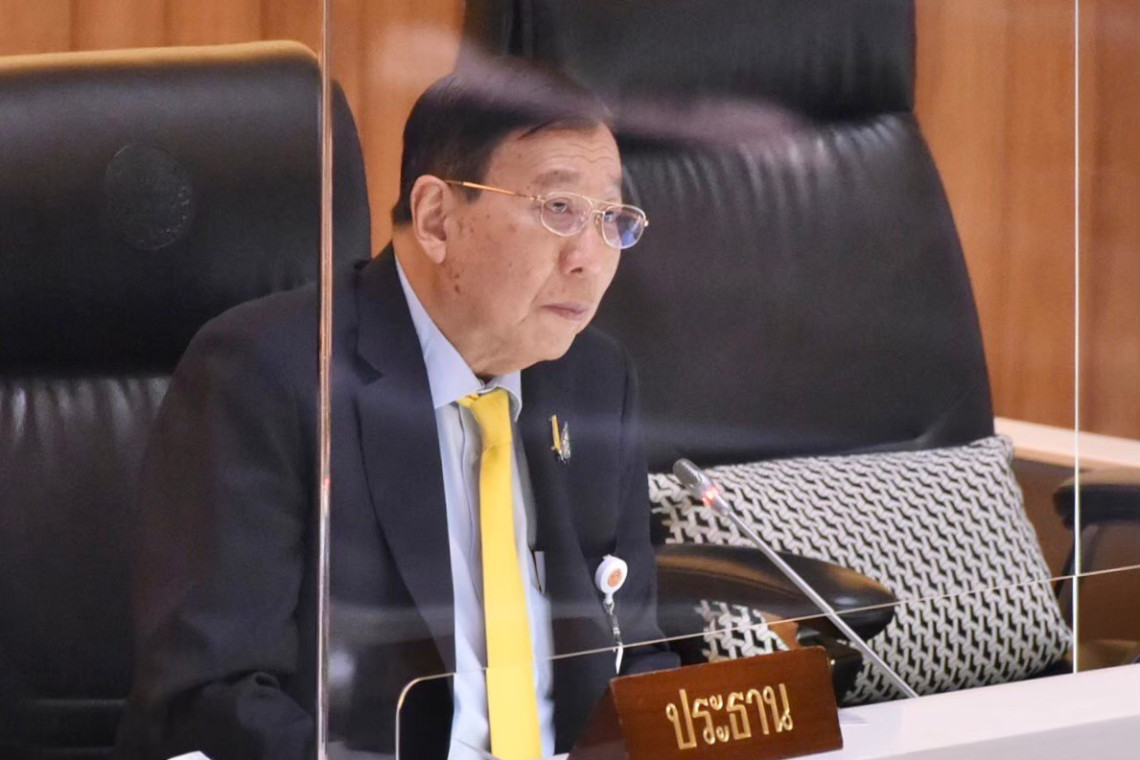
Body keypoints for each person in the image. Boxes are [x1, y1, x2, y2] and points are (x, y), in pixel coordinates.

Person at [115, 64, 677, 760]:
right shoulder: (270, 375)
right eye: (559, 209)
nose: (589, 259)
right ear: (437, 218)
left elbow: (638, 653)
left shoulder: (594, 380)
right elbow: (211, 699)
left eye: (611, 219)